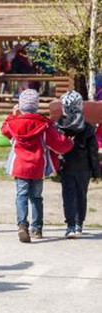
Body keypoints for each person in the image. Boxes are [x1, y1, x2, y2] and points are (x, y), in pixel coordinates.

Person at [1, 89, 73, 243]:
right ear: (36, 106)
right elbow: (59, 144)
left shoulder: (13, 124)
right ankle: (36, 229)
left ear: (20, 106)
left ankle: (22, 225)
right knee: (36, 197)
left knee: (21, 196)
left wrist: (13, 114)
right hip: (37, 166)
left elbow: (4, 130)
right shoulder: (44, 125)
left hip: (20, 166)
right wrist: (70, 142)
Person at [56, 91, 100, 238]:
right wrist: (96, 172)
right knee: (81, 195)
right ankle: (79, 224)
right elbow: (93, 152)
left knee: (68, 195)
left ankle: (70, 226)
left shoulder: (59, 126)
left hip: (66, 166)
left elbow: (54, 147)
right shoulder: (88, 127)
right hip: (84, 168)